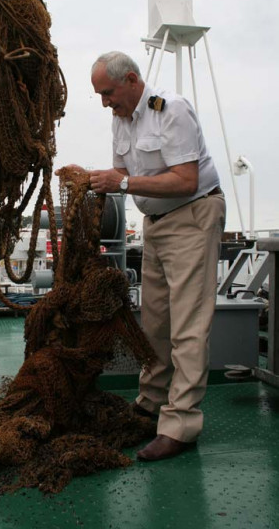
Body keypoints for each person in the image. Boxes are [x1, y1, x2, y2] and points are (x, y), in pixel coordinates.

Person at [83, 50, 226, 461]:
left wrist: (123, 183)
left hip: (193, 216)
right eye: (100, 95)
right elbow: (122, 181)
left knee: (187, 325)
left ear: (131, 79)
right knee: (157, 323)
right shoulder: (120, 120)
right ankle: (149, 405)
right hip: (157, 226)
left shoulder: (171, 110)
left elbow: (186, 180)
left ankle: (180, 424)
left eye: (108, 92)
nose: (105, 102)